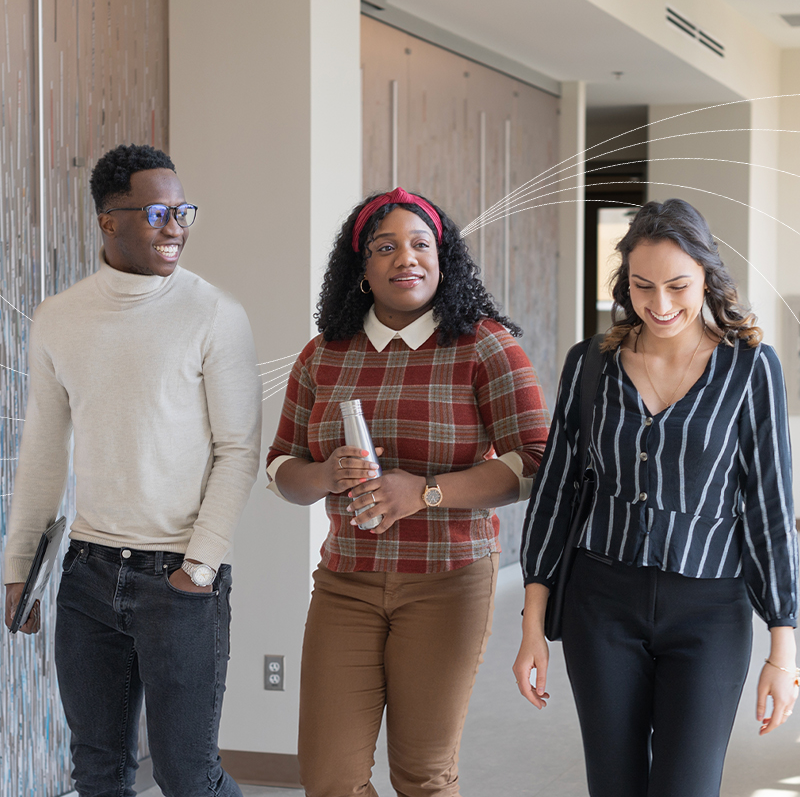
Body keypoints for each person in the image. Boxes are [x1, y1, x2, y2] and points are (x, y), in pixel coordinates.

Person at [266, 187, 550, 797]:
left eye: (422, 244)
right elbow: (281, 468)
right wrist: (324, 476)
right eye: (385, 247)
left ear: (443, 259)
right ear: (361, 268)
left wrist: (423, 493)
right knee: (329, 779)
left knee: (422, 775)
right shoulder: (324, 355)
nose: (406, 259)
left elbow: (535, 461)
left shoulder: (484, 345)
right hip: (347, 580)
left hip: (448, 580)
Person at [514, 198, 799, 797]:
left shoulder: (751, 370)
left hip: (710, 612)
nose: (661, 304)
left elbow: (771, 509)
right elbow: (556, 494)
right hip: (601, 606)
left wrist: (783, 644)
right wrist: (532, 627)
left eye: (678, 285)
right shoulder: (591, 364)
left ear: (708, 278)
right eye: (643, 286)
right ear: (625, 284)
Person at [3, 144, 261, 797]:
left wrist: (198, 567)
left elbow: (238, 451)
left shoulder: (214, 316)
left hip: (177, 579)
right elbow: (42, 451)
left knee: (186, 776)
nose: (175, 226)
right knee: (98, 770)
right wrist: (18, 571)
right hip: (87, 575)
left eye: (183, 211)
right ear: (108, 221)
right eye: (156, 212)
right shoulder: (60, 319)